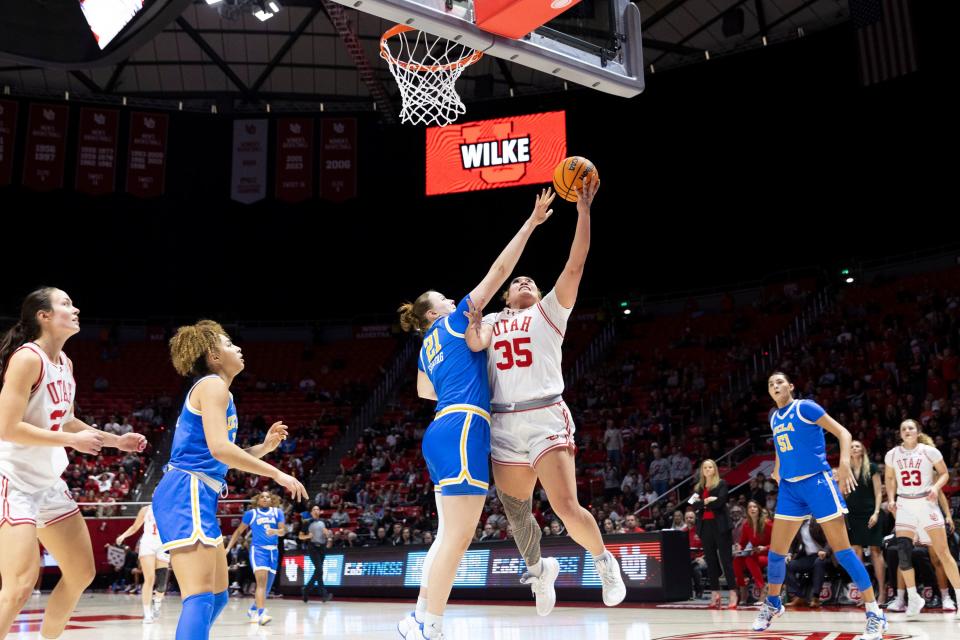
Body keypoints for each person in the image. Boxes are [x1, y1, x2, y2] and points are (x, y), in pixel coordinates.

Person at [396, 189, 554, 640]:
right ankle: (432, 624)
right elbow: (500, 270)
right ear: (435, 312)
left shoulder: (426, 350)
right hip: (466, 424)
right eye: (446, 299)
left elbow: (426, 392)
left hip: (440, 427)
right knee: (459, 537)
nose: (454, 300)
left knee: (446, 533)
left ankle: (419, 615)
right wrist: (531, 223)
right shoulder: (452, 321)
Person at [468, 175, 624, 618]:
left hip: (544, 417)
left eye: (531, 280)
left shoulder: (550, 311)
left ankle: (603, 562)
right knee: (517, 514)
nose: (525, 280)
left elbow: (575, 264)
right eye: (518, 280)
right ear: (507, 294)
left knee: (567, 508)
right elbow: (473, 343)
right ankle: (539, 571)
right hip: (503, 423)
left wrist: (583, 211)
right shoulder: (494, 321)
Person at [0, 287, 147, 639]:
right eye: (65, 303)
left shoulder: (65, 363)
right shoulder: (26, 358)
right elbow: (7, 426)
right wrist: (71, 441)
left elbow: (66, 420)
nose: (76, 308)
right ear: (44, 316)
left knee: (82, 572)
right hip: (14, 479)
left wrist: (116, 441)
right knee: (20, 585)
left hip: (48, 483)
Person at [151, 320, 307, 640]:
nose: (237, 347)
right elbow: (221, 449)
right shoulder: (212, 386)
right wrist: (277, 473)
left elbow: (219, 456)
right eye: (228, 343)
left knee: (219, 595)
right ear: (213, 355)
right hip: (186, 489)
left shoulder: (221, 392)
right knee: (199, 596)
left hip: (199, 490)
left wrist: (264, 448)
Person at [752, 372, 885, 640]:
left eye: (780, 382)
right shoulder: (773, 416)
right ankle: (774, 603)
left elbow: (843, 433)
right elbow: (780, 447)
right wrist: (778, 470)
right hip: (790, 487)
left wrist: (845, 463)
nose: (775, 386)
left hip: (818, 483)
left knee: (844, 552)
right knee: (777, 553)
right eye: (770, 384)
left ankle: (875, 614)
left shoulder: (805, 407)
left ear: (790, 386)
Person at [884, 419, 960, 618]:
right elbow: (890, 479)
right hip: (905, 505)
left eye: (911, 428)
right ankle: (913, 597)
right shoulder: (892, 455)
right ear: (900, 433)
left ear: (918, 432)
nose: (907, 431)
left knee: (943, 553)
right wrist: (891, 499)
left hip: (926, 503)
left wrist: (935, 487)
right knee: (903, 552)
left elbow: (944, 474)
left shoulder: (929, 451)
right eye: (903, 428)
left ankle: (958, 596)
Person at [225, 491, 286, 625]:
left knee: (267, 588)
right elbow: (238, 531)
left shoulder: (277, 512)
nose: (265, 498)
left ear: (271, 500)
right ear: (258, 500)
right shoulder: (251, 514)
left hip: (273, 552)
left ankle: (253, 609)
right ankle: (262, 614)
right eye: (262, 497)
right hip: (258, 551)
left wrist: (274, 531)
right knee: (261, 583)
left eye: (267, 497)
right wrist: (228, 548)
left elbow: (283, 531)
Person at [843, 439, 886, 605]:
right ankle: (865, 594)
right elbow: (843, 493)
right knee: (856, 552)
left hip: (870, 513)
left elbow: (877, 493)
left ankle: (882, 592)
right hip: (853, 515)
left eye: (857, 446)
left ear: (862, 450)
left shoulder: (872, 467)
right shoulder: (845, 469)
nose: (854, 448)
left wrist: (876, 513)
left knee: (875, 551)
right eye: (852, 446)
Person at [690, 459, 737, 608]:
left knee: (726, 561)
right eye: (705, 467)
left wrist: (705, 502)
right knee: (711, 562)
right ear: (702, 470)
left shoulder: (721, 484)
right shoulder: (699, 487)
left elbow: (720, 502)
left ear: (714, 469)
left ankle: (733, 593)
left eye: (710, 467)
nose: (708, 469)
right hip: (705, 527)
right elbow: (693, 504)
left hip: (721, 526)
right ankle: (715, 595)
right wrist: (707, 501)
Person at [116, 505, 171, 623]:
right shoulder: (145, 510)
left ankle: (157, 602)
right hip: (147, 545)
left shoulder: (170, 507)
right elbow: (135, 526)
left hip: (163, 546)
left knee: (162, 584)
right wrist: (123, 535)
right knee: (149, 578)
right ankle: (147, 614)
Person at [732, 500, 771, 605]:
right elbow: (742, 543)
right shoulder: (746, 525)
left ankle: (763, 589)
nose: (752, 509)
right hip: (755, 555)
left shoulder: (767, 524)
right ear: (747, 511)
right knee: (737, 561)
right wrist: (738, 547)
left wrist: (764, 548)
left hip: (769, 554)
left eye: (754, 507)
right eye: (750, 507)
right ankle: (742, 590)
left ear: (758, 509)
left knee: (749, 559)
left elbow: (777, 543)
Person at [298, 505, 333, 602]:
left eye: (318, 509)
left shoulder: (324, 522)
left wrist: (328, 536)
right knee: (319, 570)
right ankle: (322, 593)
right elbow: (300, 536)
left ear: (320, 511)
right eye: (314, 509)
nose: (316, 511)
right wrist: (307, 536)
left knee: (318, 572)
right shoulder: (307, 523)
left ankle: (307, 590)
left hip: (322, 548)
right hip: (312, 547)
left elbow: (328, 533)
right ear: (311, 512)